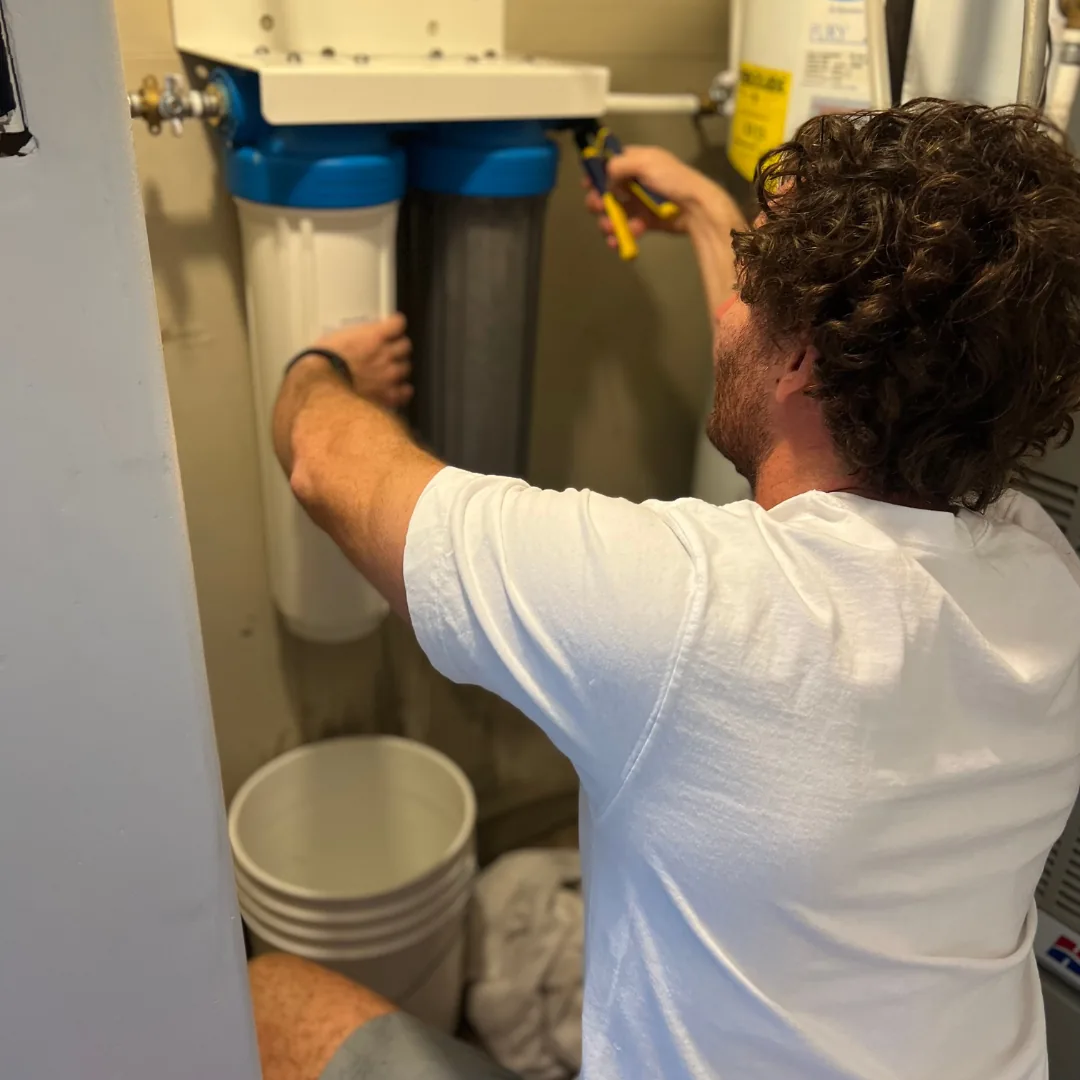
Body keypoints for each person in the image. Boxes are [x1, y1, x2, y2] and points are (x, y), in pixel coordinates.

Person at [251, 99, 1080, 1080]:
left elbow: (321, 463)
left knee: (272, 999)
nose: (728, 303)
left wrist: (321, 368)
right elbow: (791, 402)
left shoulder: (690, 616)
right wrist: (697, 207)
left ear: (807, 353)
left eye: (748, 281)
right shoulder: (1044, 577)